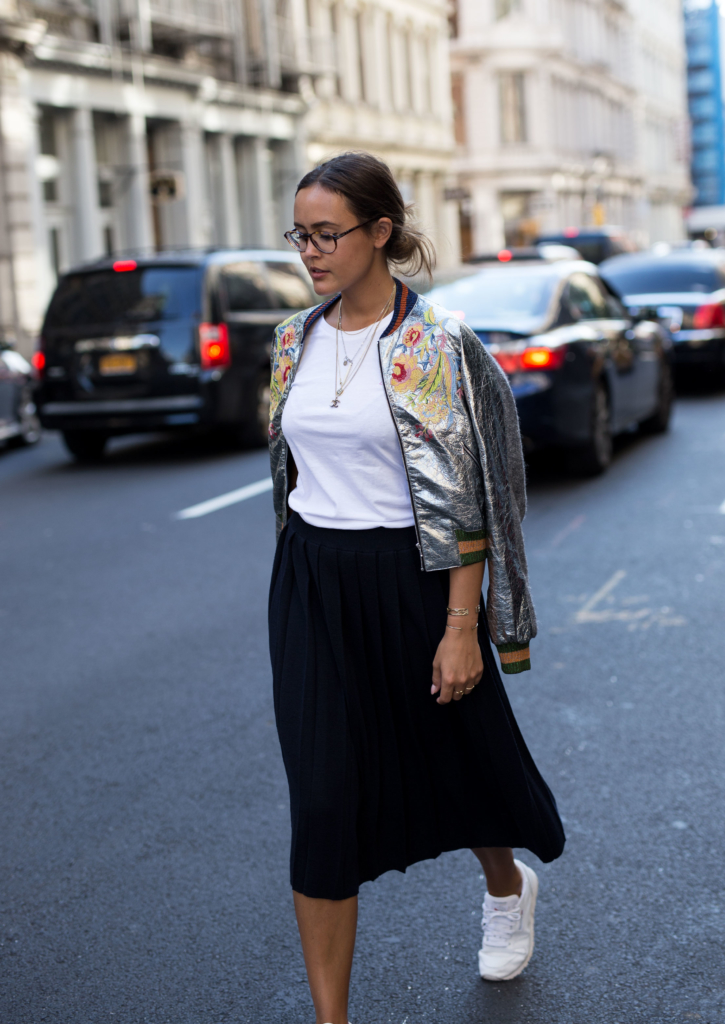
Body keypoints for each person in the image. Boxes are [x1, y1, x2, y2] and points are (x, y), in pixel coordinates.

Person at [267, 151, 564, 1024]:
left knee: (460, 761)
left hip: (416, 579)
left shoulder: (437, 343)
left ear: (380, 232)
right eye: (302, 234)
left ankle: (507, 887)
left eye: (328, 234)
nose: (311, 251)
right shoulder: (294, 339)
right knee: (321, 801)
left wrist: (461, 624)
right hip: (314, 586)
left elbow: (469, 487)